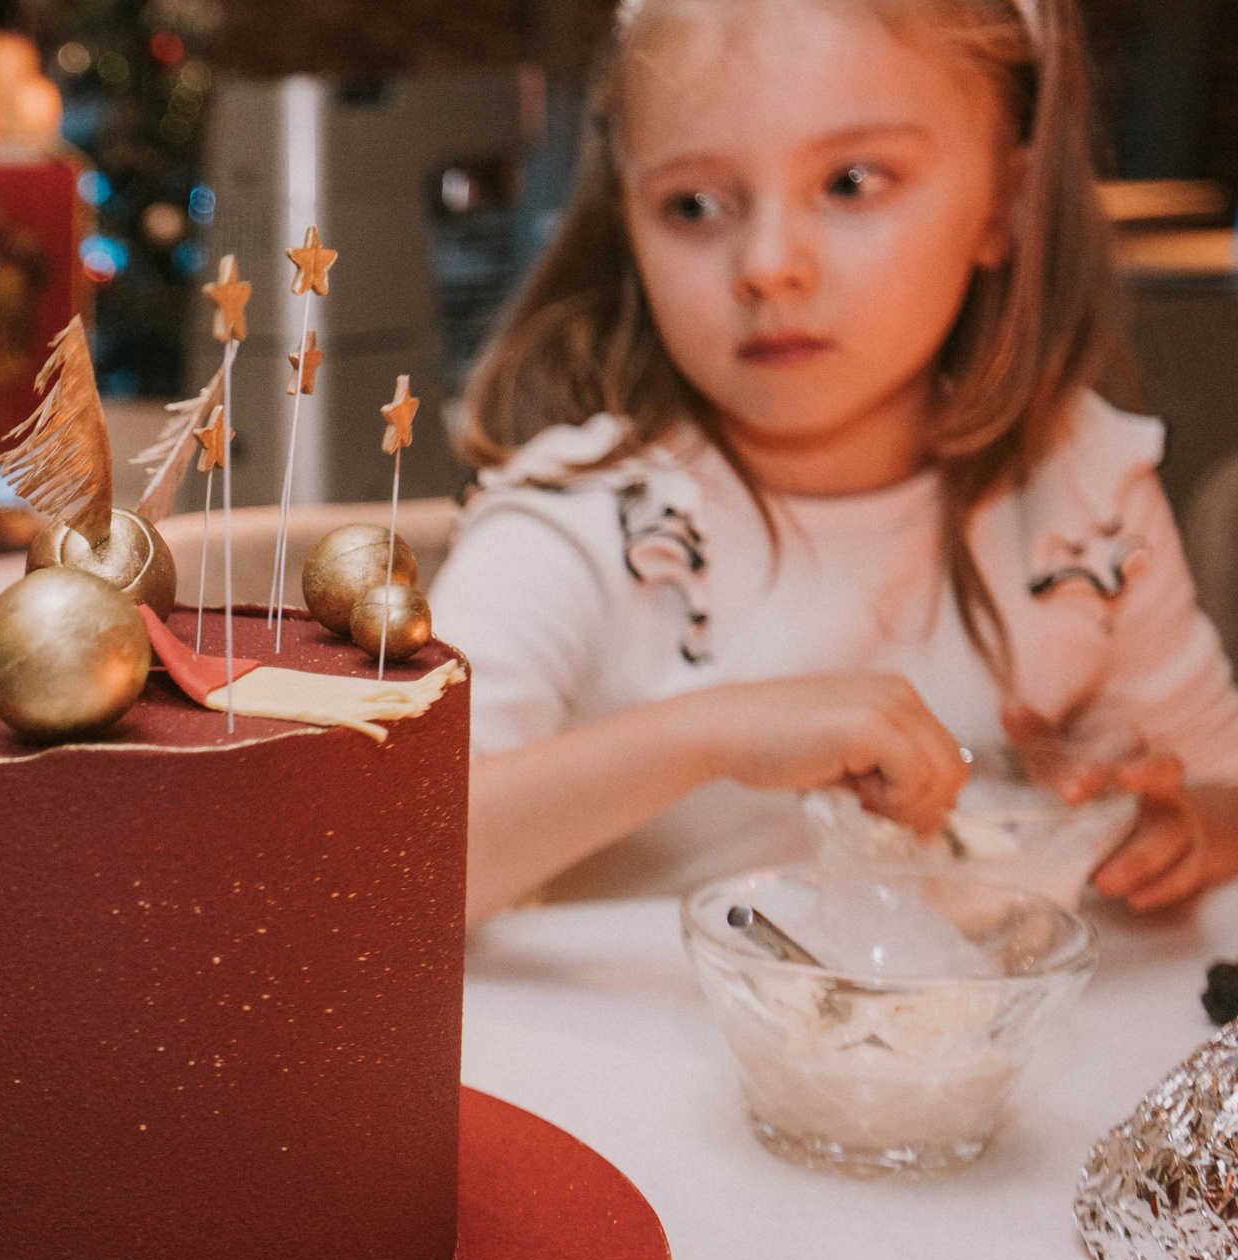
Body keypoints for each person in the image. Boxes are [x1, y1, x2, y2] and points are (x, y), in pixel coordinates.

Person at [435, 0, 1238, 921]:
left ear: (1005, 203)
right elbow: (370, 869)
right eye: (693, 205)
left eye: (853, 182)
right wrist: (705, 737)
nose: (769, 264)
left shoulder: (1084, 497)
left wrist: (1175, 828)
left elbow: (1219, 787)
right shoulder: (574, 525)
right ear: (629, 222)